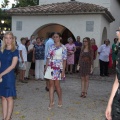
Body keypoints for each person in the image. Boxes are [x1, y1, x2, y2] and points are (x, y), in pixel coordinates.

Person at [44, 32, 67, 110]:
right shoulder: (51, 46)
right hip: (50, 66)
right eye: (54, 37)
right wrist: (46, 67)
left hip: (58, 68)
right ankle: (51, 102)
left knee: (57, 85)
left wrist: (63, 71)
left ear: (60, 38)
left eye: (57, 37)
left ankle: (60, 99)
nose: (55, 38)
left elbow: (64, 60)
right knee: (51, 85)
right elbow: (48, 57)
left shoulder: (63, 47)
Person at [0, 32, 19, 120]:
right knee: (3, 97)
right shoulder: (2, 50)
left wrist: (1, 74)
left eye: (10, 38)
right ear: (4, 39)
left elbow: (13, 66)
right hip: (1, 75)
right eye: (6, 38)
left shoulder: (15, 51)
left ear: (13, 39)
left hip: (9, 76)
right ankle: (4, 117)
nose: (8, 40)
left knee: (9, 97)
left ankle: (8, 118)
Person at [105, 29, 120, 120]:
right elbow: (117, 80)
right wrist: (109, 104)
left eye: (119, 30)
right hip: (118, 101)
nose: (117, 32)